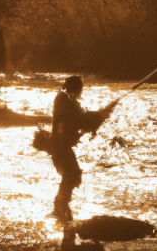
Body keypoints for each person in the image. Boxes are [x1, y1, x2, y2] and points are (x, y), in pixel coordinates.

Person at [49, 75, 118, 221]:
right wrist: (101, 116)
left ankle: (60, 207)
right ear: (75, 88)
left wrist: (101, 114)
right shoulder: (65, 102)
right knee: (72, 175)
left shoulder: (64, 99)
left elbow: (81, 118)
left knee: (71, 175)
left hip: (60, 146)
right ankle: (60, 208)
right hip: (60, 147)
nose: (81, 92)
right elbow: (81, 121)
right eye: (80, 89)